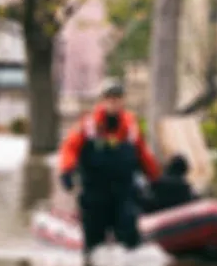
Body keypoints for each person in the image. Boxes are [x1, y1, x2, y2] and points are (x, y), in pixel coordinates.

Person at [59, 80, 161, 254]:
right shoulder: (88, 125)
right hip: (95, 193)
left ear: (123, 101)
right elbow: (70, 148)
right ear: (102, 101)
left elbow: (143, 154)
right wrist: (67, 171)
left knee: (129, 235)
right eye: (109, 98)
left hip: (123, 192)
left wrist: (156, 178)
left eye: (117, 98)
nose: (113, 102)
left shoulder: (130, 126)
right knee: (94, 243)